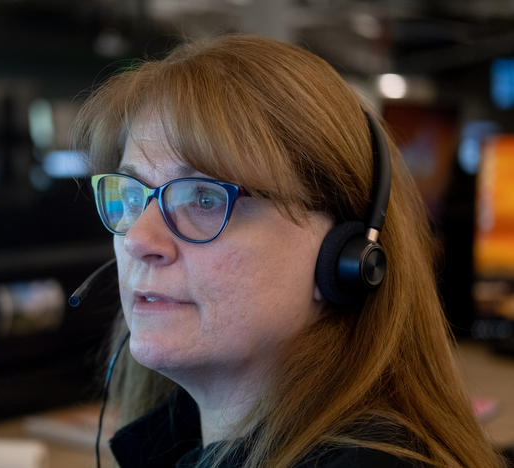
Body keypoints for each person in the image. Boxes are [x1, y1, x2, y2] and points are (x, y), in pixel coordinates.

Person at [71, 34, 504, 467]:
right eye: (131, 195)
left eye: (204, 198)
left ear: (344, 255)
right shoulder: (182, 442)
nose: (139, 240)